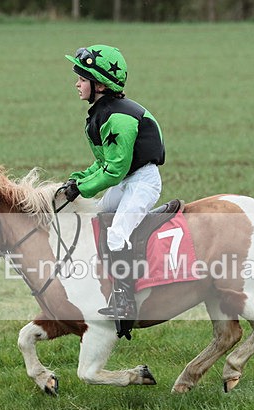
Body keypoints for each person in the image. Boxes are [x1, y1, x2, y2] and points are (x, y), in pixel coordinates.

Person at [63, 44, 166, 320]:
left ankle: (125, 301)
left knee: (117, 234)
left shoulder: (118, 117)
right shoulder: (101, 112)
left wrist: (81, 189)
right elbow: (102, 164)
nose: (77, 84)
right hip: (126, 182)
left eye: (82, 79)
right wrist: (77, 180)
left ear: (99, 85)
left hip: (142, 182)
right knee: (97, 218)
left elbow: (114, 171)